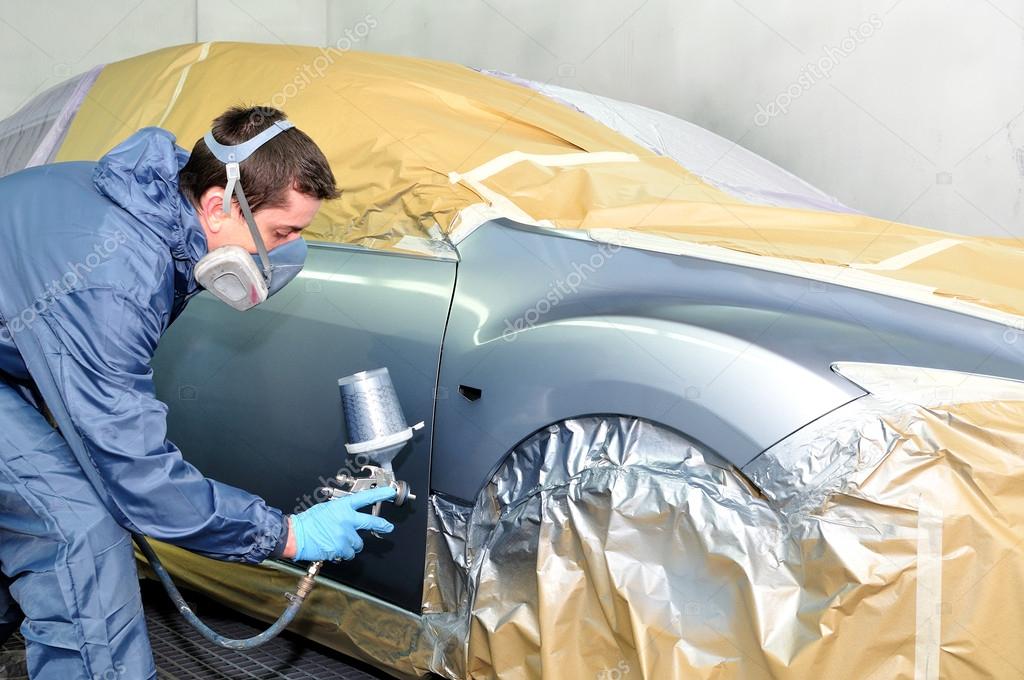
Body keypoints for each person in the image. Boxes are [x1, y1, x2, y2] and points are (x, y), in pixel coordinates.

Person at [0, 106, 395, 679]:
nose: (282, 255)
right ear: (218, 204)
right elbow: (140, 479)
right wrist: (284, 534)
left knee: (40, 497)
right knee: (77, 532)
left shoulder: (154, 205)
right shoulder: (115, 279)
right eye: (283, 233)